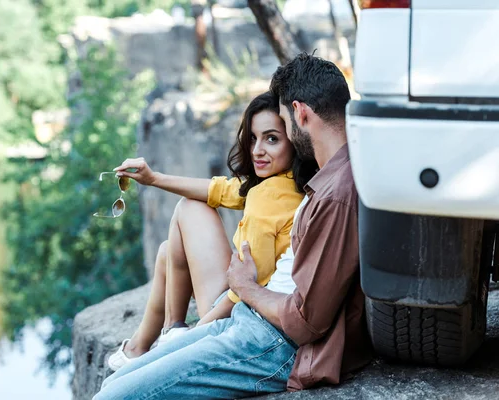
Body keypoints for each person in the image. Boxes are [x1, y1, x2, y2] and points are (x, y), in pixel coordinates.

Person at [94, 53, 372, 400]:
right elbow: (222, 190)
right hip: (249, 319)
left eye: (283, 123)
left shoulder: (336, 195)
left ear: (301, 113)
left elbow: (306, 322)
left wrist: (245, 286)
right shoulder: (332, 175)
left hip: (272, 344)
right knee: (112, 386)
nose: (283, 132)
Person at [106, 92, 317, 371]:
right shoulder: (284, 183)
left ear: (294, 140)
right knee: (167, 251)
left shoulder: (271, 198)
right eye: (253, 138)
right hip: (244, 302)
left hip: (239, 314)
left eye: (272, 139)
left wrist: (197, 334)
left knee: (189, 209)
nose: (257, 150)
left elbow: (247, 288)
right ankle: (141, 345)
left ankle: (173, 334)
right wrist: (153, 178)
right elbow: (218, 190)